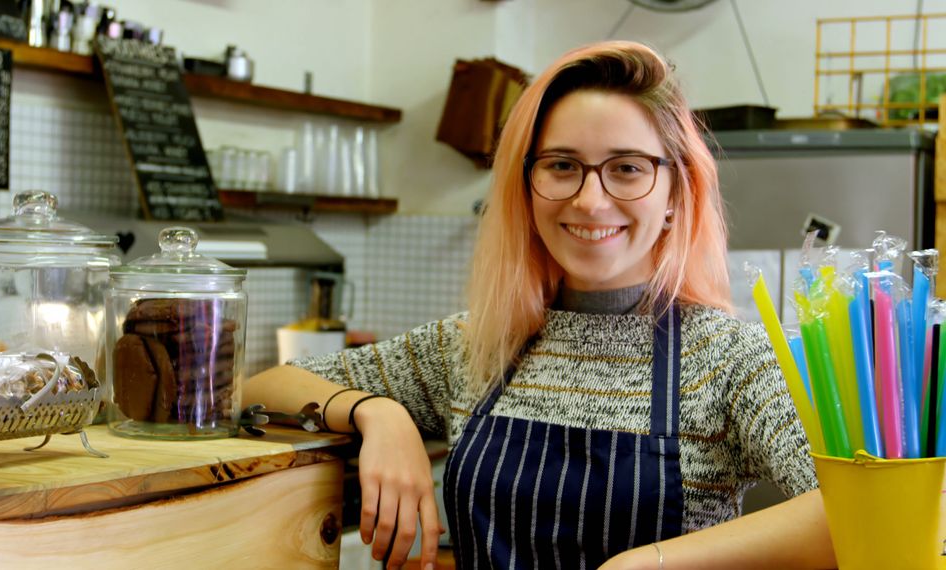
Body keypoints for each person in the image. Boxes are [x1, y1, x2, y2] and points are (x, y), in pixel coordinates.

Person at [244, 41, 836, 570]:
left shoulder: (731, 360)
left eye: (627, 169)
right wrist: (378, 414)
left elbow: (861, 513)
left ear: (677, 194)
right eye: (562, 166)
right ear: (526, 189)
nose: (590, 200)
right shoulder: (475, 344)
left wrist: (649, 564)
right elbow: (258, 391)